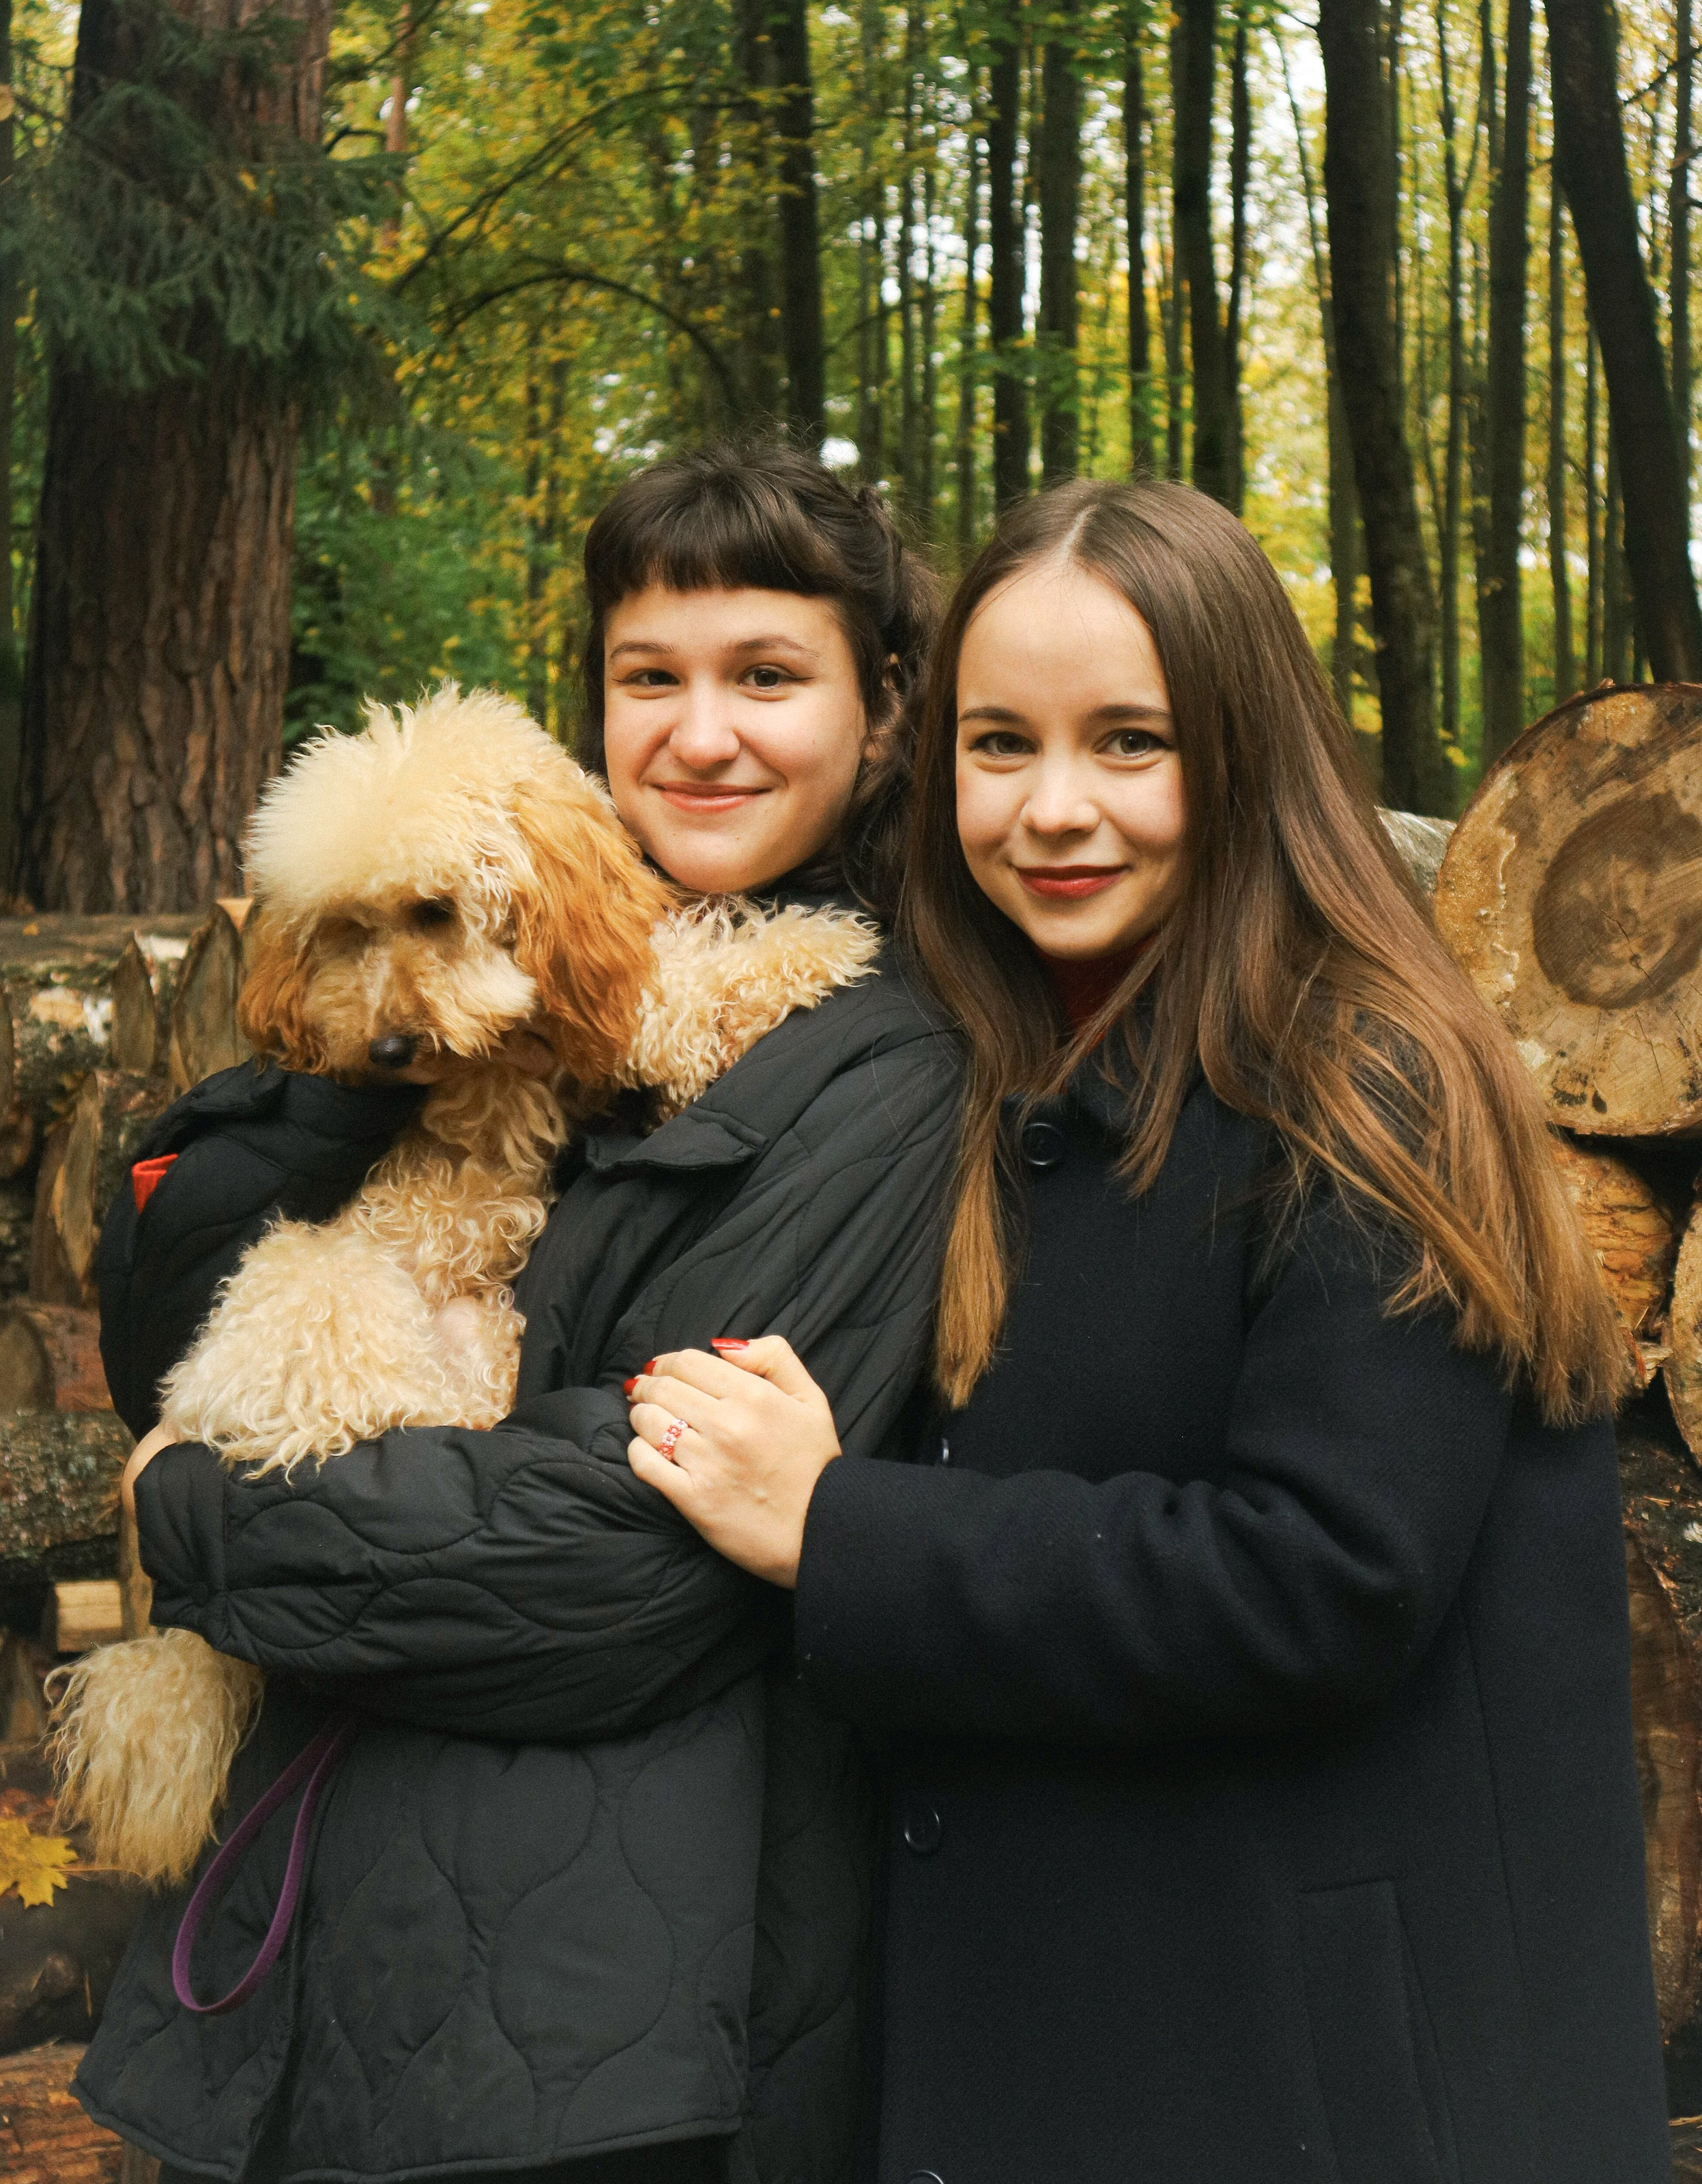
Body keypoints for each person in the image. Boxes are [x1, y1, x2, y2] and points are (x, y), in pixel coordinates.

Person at [626, 478, 1671, 2183]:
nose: (1051, 809)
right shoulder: (979, 1063)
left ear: (1249, 748)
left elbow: (1322, 1576)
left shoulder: (1361, 1080)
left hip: (1317, 2092)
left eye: (1129, 742)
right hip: (1072, 2046)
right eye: (994, 744)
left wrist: (838, 1528)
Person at [81, 443, 962, 2184]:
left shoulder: (882, 1063)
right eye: (651, 677)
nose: (698, 732)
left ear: (880, 710)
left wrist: (186, 1515)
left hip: (600, 2039)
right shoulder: (484, 1003)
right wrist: (349, 1088)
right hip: (334, 1956)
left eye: (767, 676)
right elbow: (160, 1305)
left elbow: (619, 1567)